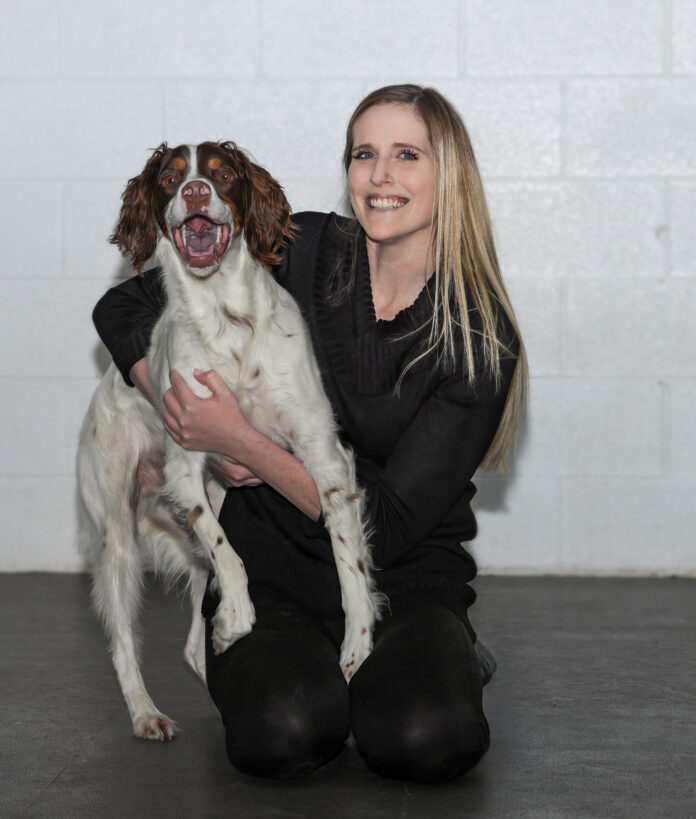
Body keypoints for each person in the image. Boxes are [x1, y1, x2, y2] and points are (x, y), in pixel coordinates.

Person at [92, 84, 528, 783]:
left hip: (405, 581)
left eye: (406, 155)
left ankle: (440, 654)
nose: (380, 175)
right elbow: (123, 306)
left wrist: (244, 443)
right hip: (274, 577)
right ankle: (279, 663)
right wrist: (184, 408)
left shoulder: (476, 339)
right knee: (283, 733)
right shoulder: (301, 250)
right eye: (364, 154)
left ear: (449, 175)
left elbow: (384, 525)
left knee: (425, 738)